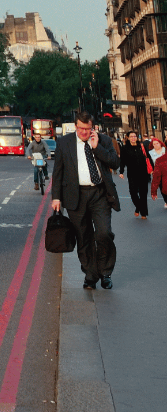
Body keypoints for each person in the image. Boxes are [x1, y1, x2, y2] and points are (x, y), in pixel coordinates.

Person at [50, 111, 122, 290]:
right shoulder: (64, 143)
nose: (84, 132)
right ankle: (90, 275)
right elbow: (58, 171)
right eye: (81, 129)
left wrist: (97, 147)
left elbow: (115, 163)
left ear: (93, 127)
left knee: (104, 233)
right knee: (83, 238)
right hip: (76, 196)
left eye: (87, 129)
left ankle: (105, 273)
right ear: (75, 127)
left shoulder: (103, 141)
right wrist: (56, 197)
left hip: (100, 195)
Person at [118, 130, 153, 218]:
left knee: (143, 193)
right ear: (128, 138)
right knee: (133, 193)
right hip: (132, 174)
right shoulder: (125, 148)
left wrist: (152, 169)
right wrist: (121, 172)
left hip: (143, 173)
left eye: (135, 136)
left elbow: (148, 157)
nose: (133, 138)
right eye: (131, 136)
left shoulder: (142, 146)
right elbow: (122, 161)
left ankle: (143, 213)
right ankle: (139, 208)